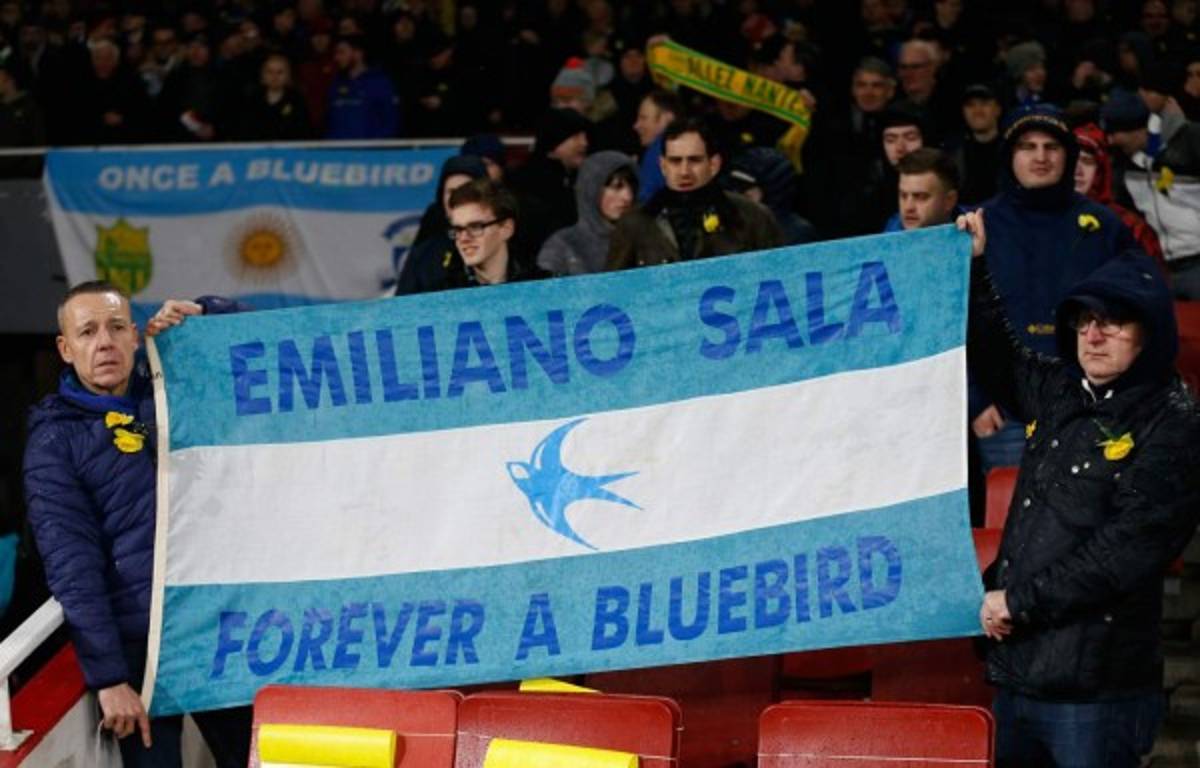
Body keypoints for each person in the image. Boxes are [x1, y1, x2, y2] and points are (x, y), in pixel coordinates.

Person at [960, 211, 1200, 768]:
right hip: (1019, 672)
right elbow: (998, 358)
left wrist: (1019, 601)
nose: (1094, 335)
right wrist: (976, 270)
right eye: (1085, 321)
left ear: (1151, 332)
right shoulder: (1065, 389)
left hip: (1097, 692)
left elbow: (1122, 553)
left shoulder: (1176, 425)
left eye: (1114, 323)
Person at [24, 283, 251, 768]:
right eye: (87, 332)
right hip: (138, 654)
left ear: (135, 335)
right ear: (66, 349)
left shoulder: (176, 392)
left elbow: (257, 344)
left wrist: (202, 314)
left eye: (116, 327)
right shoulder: (54, 443)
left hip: (216, 632)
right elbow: (72, 567)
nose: (104, 342)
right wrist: (108, 678)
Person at [972, 104, 1139, 472]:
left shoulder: (1104, 226)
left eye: (1052, 146)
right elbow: (954, 320)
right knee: (1013, 522)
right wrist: (975, 399)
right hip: (1005, 409)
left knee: (1089, 518)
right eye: (1027, 147)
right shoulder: (978, 227)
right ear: (1009, 156)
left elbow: (1138, 312)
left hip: (1091, 402)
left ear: (1069, 155)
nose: (1041, 157)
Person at [607, 116, 783, 269]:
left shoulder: (752, 218)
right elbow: (614, 293)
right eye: (675, 161)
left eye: (694, 160)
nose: (684, 171)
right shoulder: (635, 224)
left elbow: (783, 280)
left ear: (714, 164)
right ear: (663, 166)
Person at [1102, 90, 1200, 298]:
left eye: (1115, 133)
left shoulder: (1189, 143)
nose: (1110, 141)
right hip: (1159, 268)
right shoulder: (1123, 168)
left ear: (1137, 130)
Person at [397, 178, 533, 293]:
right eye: (458, 229)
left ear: (506, 229)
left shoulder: (541, 288)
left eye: (475, 227)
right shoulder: (440, 297)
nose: (463, 238)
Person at [1073, 123, 1165, 269]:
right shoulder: (1041, 218)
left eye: (1087, 161)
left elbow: (1153, 284)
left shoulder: (1130, 227)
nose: (1077, 171)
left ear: (1100, 171)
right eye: (1071, 162)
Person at [538, 150, 638, 276]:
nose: (627, 197)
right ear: (591, 190)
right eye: (616, 187)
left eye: (632, 188)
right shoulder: (562, 246)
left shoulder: (643, 238)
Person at [508, 106, 590, 255]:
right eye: (576, 136)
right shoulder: (527, 183)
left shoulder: (578, 177)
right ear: (554, 142)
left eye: (584, 136)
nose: (584, 143)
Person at [325, 33, 399, 139]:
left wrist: (376, 148)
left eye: (341, 52)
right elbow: (330, 122)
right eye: (335, 53)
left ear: (358, 53)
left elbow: (390, 122)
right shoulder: (336, 84)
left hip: (370, 152)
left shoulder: (379, 82)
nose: (336, 58)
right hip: (339, 153)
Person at [234, 52, 312, 141]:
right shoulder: (251, 100)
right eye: (269, 72)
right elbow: (242, 132)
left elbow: (304, 134)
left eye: (280, 72)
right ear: (262, 75)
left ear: (288, 76)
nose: (274, 77)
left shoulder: (297, 101)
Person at [948, 83, 1003, 206]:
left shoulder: (1013, 149)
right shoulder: (953, 152)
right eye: (970, 105)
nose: (977, 111)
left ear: (997, 109)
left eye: (984, 103)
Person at [886, 147, 961, 231]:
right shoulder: (887, 234)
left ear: (949, 201)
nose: (908, 207)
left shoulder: (974, 229)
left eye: (920, 197)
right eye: (903, 196)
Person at [632, 88, 683, 203]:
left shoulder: (657, 152)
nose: (636, 126)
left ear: (667, 119)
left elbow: (643, 205)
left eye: (643, 118)